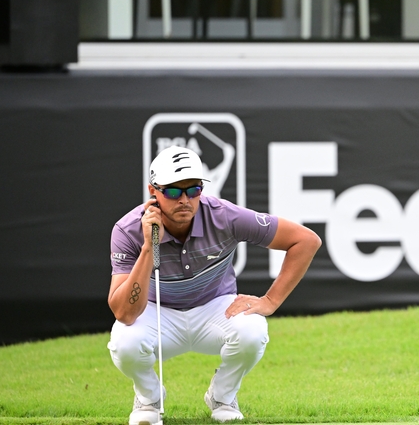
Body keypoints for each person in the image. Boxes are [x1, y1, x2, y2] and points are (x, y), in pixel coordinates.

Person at [107, 146, 321, 424]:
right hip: (158, 311)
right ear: (153, 191)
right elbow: (124, 313)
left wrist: (271, 301)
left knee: (253, 330)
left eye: (194, 190)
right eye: (173, 191)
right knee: (125, 341)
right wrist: (149, 247)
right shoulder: (127, 229)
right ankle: (148, 400)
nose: (184, 200)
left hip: (214, 308)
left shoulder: (224, 216)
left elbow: (305, 240)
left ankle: (222, 396)